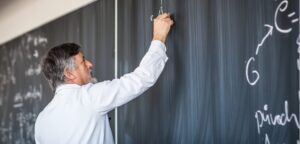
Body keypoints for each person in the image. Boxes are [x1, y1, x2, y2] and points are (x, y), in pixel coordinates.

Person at [34, 13, 173, 144]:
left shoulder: (41, 121)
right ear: (69, 74)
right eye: (83, 61)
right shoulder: (89, 97)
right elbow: (141, 78)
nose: (90, 64)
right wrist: (159, 37)